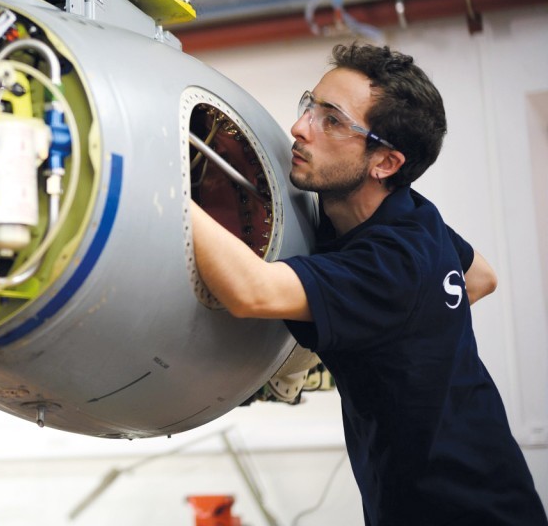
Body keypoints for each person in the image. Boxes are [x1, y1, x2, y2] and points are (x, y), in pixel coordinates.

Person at [191, 42, 547, 525]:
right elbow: (482, 275)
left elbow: (252, 291)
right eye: (309, 106)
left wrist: (160, 186)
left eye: (332, 121)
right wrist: (396, 334)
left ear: (386, 163)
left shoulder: (394, 263)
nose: (300, 127)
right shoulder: (414, 215)